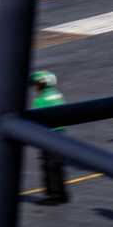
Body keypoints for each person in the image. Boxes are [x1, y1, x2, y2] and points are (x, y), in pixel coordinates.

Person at [30, 70, 68, 205]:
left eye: (36, 84)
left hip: (48, 136)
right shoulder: (57, 94)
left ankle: (53, 196)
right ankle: (63, 194)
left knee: (49, 166)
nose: (35, 86)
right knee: (58, 165)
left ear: (42, 84)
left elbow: (37, 120)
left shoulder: (40, 100)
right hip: (61, 134)